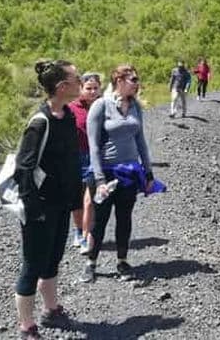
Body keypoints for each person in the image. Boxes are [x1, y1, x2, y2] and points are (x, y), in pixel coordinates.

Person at [14, 59, 83, 339]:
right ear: (62, 86)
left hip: (60, 204)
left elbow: (71, 164)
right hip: (39, 208)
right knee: (32, 265)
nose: (80, 83)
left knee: (53, 259)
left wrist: (75, 202)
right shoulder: (39, 123)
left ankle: (51, 310)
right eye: (76, 79)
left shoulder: (67, 117)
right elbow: (24, 169)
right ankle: (27, 326)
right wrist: (33, 210)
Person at [81, 65, 154, 283]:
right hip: (105, 173)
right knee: (100, 220)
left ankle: (122, 260)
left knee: (125, 218)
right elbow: (93, 146)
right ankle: (90, 263)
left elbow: (141, 141)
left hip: (129, 172)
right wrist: (100, 179)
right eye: (133, 79)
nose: (136, 82)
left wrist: (148, 172)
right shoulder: (101, 106)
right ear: (119, 80)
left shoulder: (135, 107)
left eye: (136, 78)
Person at [67, 72, 102, 254]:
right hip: (76, 157)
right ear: (80, 88)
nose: (92, 91)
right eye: (88, 88)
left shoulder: (103, 106)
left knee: (90, 200)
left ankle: (88, 234)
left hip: (96, 158)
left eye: (96, 88)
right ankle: (78, 230)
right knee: (77, 199)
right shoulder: (71, 108)